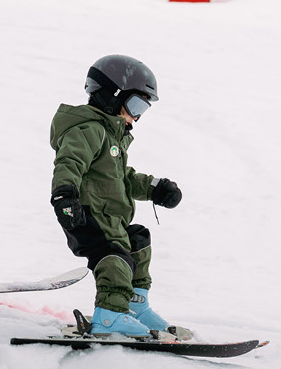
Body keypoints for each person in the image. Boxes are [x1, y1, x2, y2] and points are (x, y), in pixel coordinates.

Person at [48, 55, 185, 337]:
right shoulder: (88, 130)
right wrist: (64, 197)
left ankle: (133, 306)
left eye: (143, 109)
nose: (136, 116)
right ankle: (109, 315)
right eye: (136, 105)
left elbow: (123, 177)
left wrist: (155, 188)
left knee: (137, 241)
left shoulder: (113, 136)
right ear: (112, 96)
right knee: (114, 258)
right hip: (86, 216)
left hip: (111, 219)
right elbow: (69, 163)